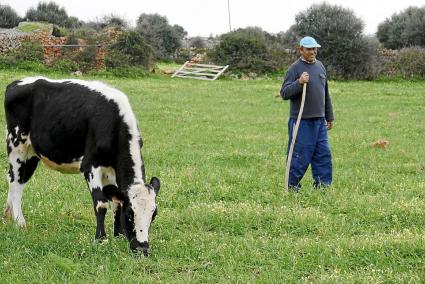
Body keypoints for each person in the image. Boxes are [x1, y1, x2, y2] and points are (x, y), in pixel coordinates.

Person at [280, 36, 334, 190]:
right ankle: (292, 186)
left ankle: (323, 186)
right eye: (309, 49)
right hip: (301, 121)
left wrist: (329, 116)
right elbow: (284, 93)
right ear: (301, 50)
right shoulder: (295, 68)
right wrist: (299, 83)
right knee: (299, 156)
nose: (313, 52)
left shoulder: (320, 66)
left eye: (314, 48)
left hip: (319, 121)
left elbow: (325, 93)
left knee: (323, 155)